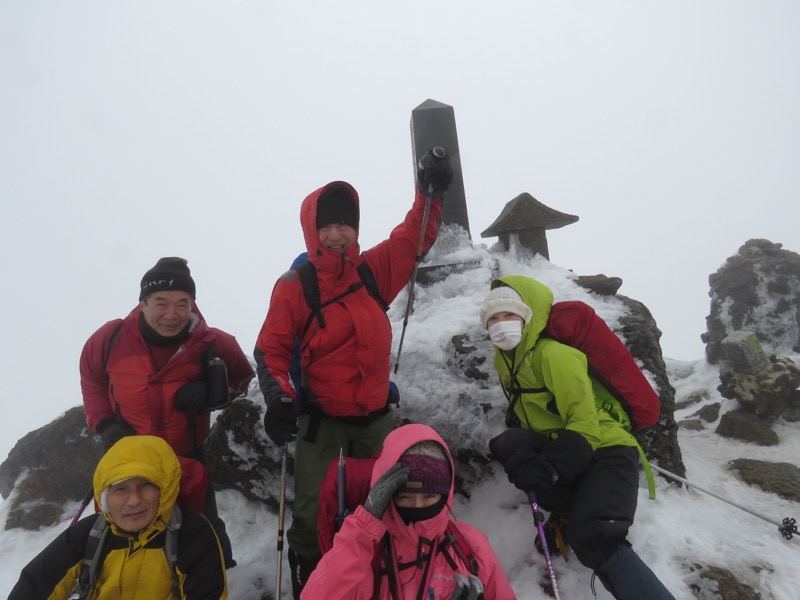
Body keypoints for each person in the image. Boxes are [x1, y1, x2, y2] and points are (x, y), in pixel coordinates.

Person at [254, 149, 453, 598]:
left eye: (346, 223)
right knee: (309, 518)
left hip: (376, 420)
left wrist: (430, 193)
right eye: (328, 225)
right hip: (321, 424)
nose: (338, 233)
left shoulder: (371, 272)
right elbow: (271, 348)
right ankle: (314, 587)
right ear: (313, 229)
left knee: (390, 504)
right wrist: (279, 399)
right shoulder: (296, 285)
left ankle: (385, 580)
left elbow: (413, 238)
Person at [480, 276, 674, 600]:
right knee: (508, 446)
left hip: (606, 448)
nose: (501, 325)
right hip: (568, 447)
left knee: (594, 537)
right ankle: (574, 505)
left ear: (527, 317)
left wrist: (551, 468)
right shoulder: (505, 361)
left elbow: (584, 423)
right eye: (493, 319)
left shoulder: (554, 355)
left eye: (509, 315)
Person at [79, 256, 254, 568]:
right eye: (161, 303)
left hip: (187, 457)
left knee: (202, 526)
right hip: (129, 458)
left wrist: (213, 392)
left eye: (182, 303)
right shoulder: (110, 339)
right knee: (125, 531)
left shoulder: (212, 343)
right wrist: (105, 425)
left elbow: (242, 378)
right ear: (143, 303)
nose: (172, 314)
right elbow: (92, 379)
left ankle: (217, 573)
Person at [301, 423, 517, 600]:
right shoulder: (366, 552)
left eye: (430, 497)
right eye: (405, 497)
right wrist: (362, 528)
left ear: (446, 493)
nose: (418, 506)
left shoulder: (470, 546)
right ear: (389, 496)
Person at [9, 435, 227, 599]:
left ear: (165, 489)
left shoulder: (192, 534)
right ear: (105, 498)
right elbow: (36, 584)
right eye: (120, 489)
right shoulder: (90, 533)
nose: (134, 500)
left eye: (146, 485)